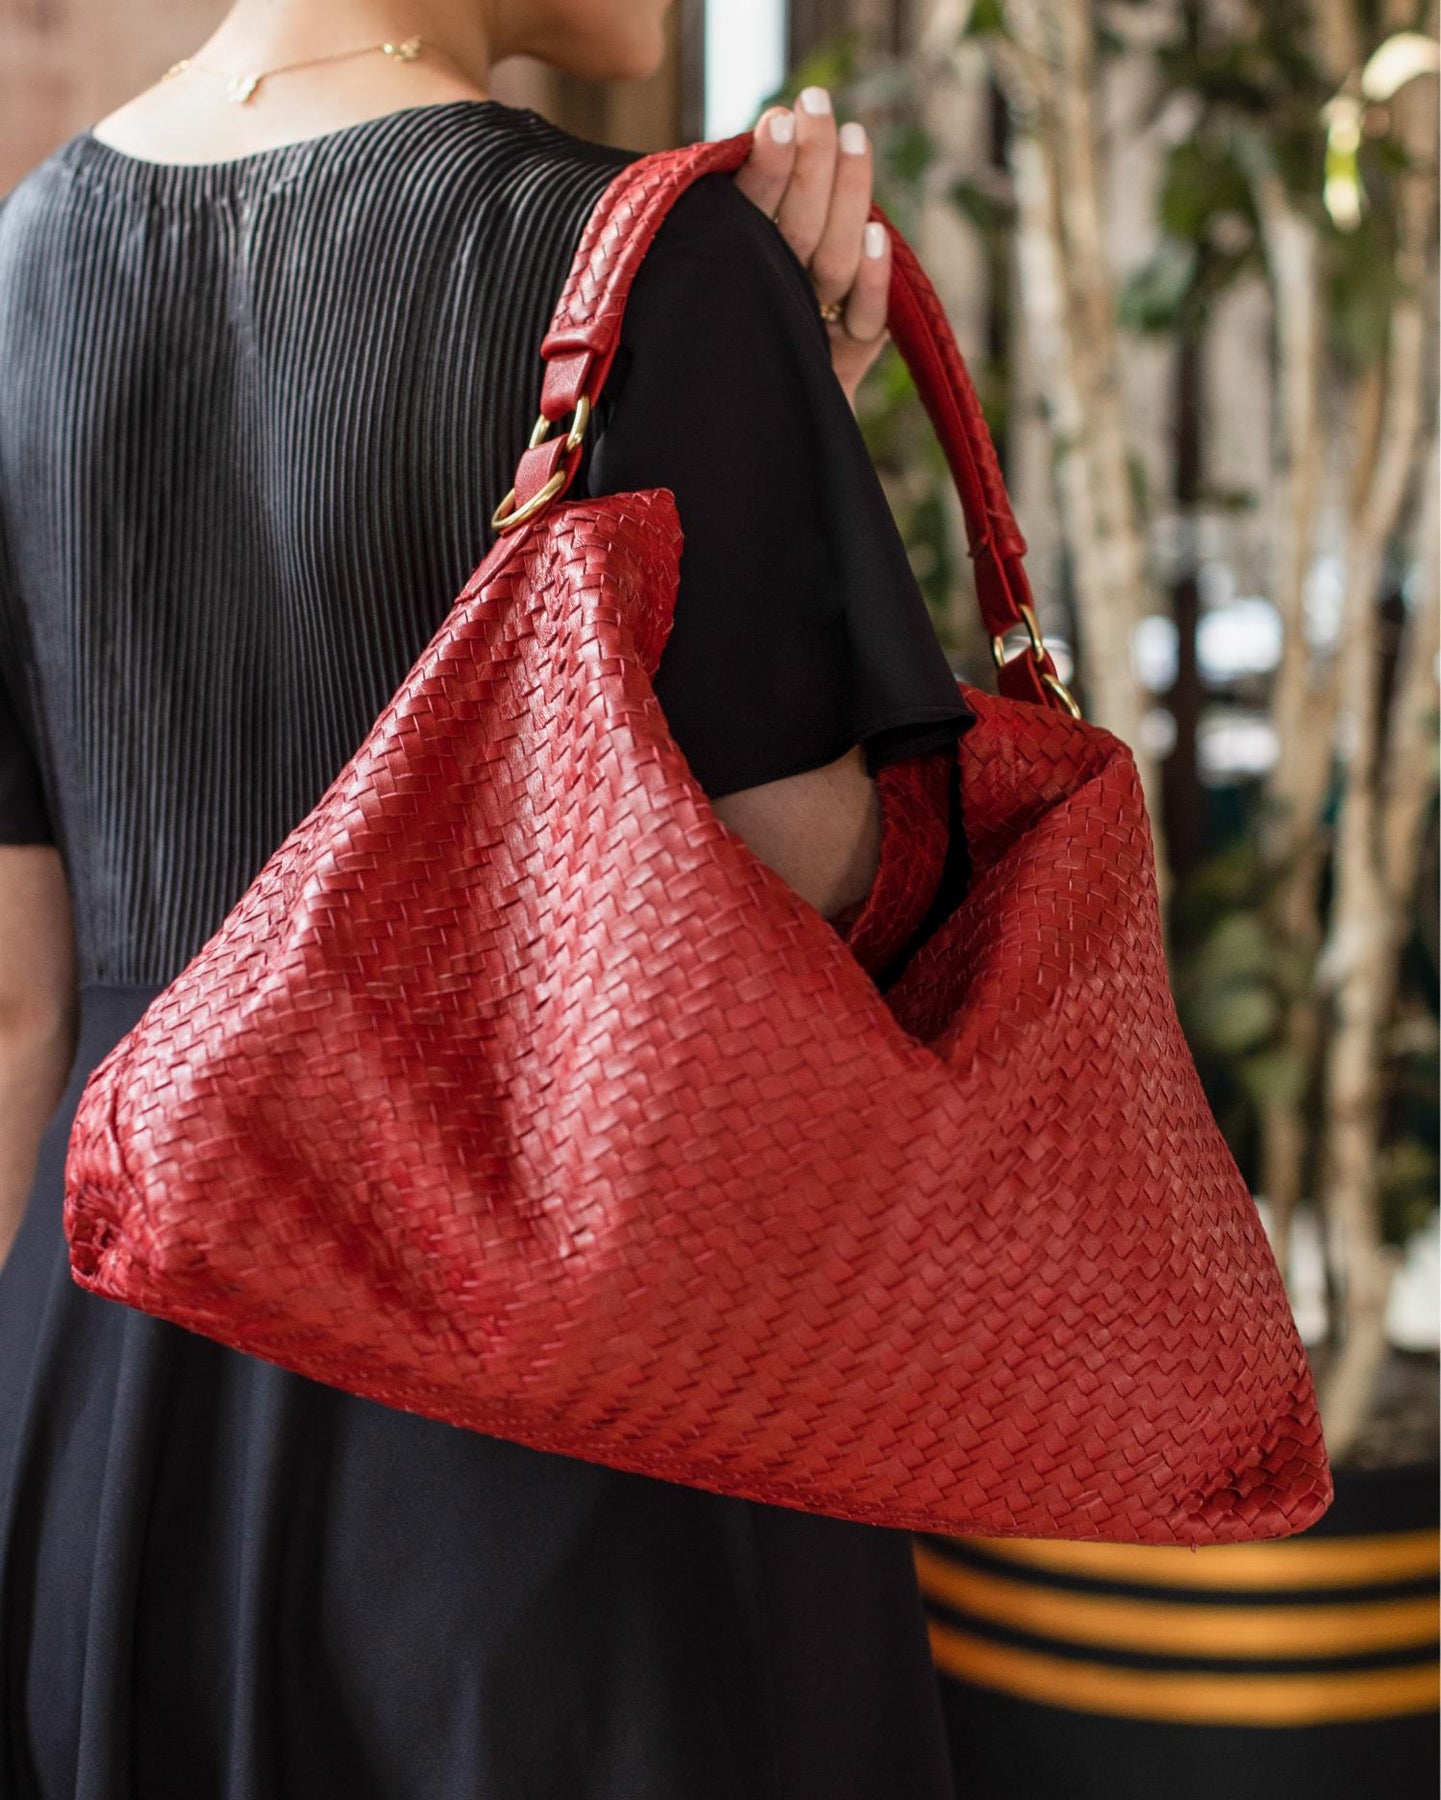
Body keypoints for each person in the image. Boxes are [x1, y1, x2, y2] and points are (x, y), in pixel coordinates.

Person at [0, 2, 975, 1794]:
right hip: (549, 1423)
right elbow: (796, 889)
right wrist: (778, 422)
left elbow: (12, 1005)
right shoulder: (651, 259)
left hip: (116, 1394)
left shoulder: (23, 258)